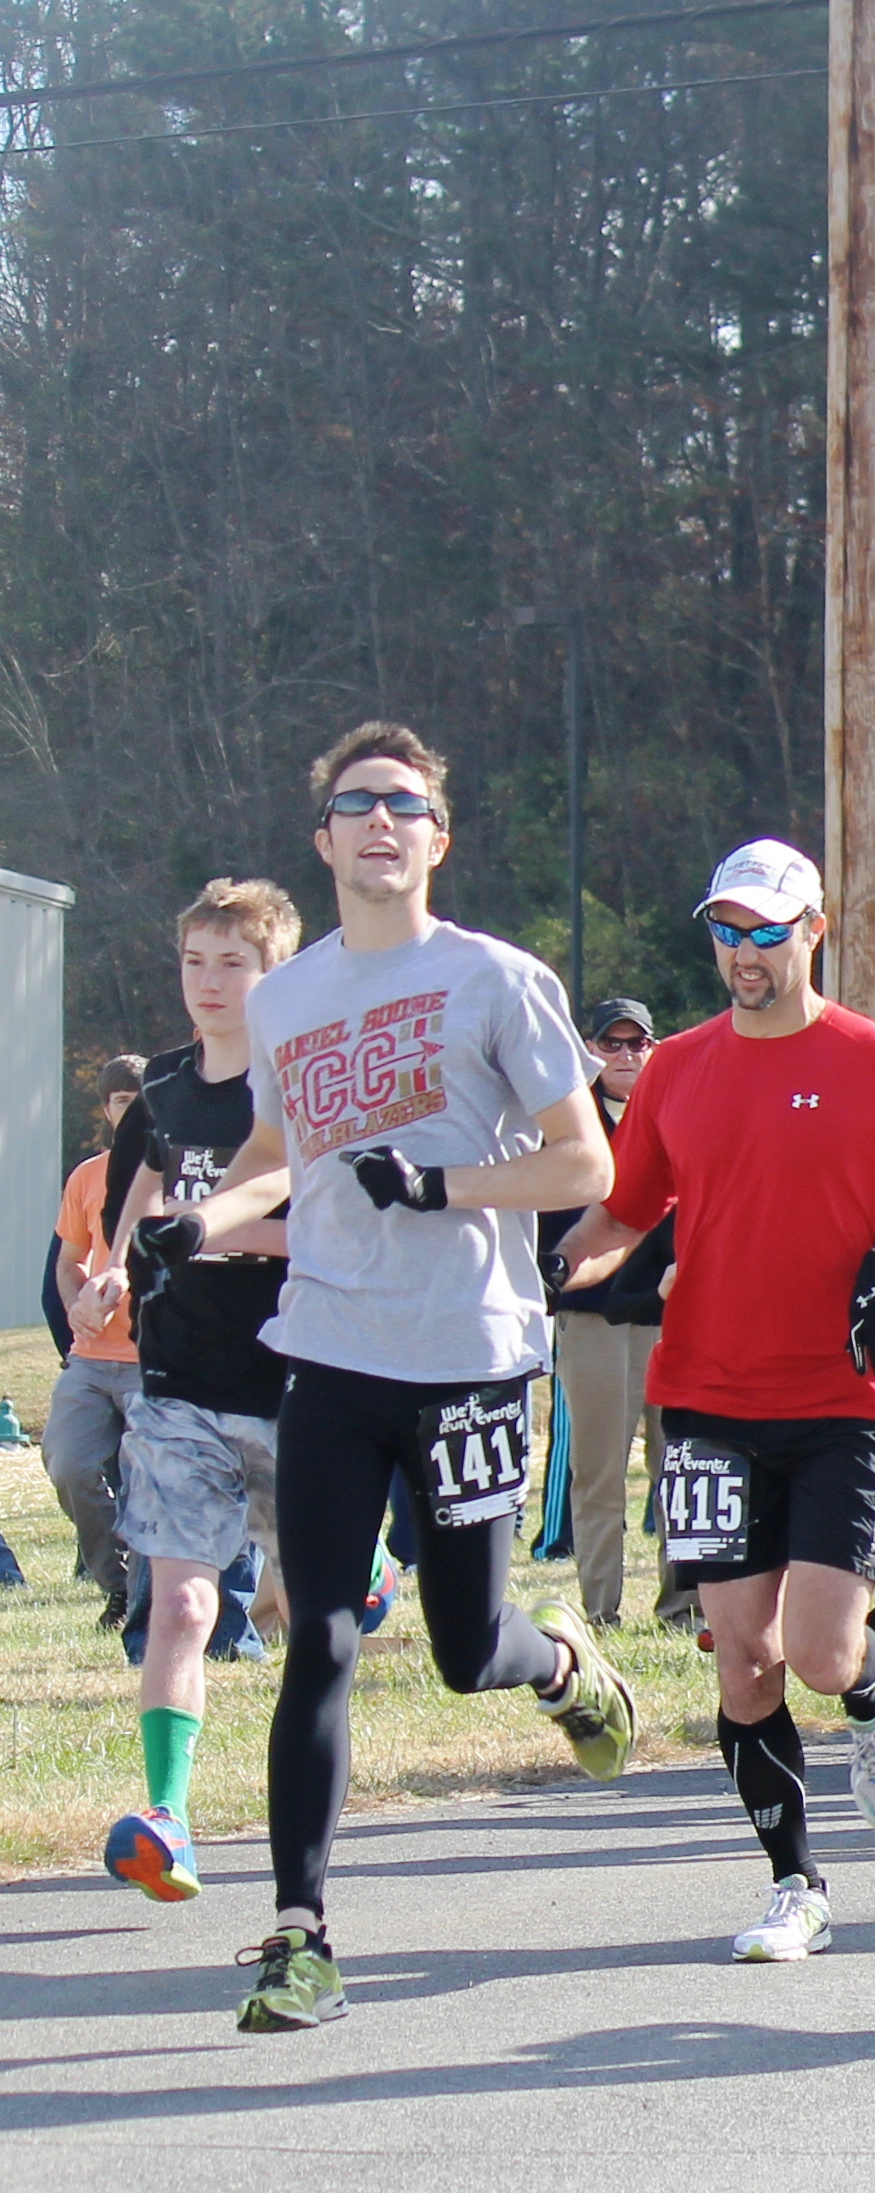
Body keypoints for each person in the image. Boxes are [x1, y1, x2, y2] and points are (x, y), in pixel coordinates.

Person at [155, 723, 642, 2032]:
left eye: (405, 805)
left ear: (437, 836)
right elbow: (274, 1151)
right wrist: (197, 1222)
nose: (381, 823)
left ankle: (563, 1667)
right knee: (318, 1633)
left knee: (464, 1646)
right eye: (357, 804)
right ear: (323, 840)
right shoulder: (286, 997)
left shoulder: (497, 982)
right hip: (329, 1348)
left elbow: (585, 1167)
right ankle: (300, 1936)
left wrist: (441, 1185)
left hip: (474, 1355)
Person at [548, 838, 875, 1962]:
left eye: (765, 930)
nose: (743, 952)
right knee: (743, 1654)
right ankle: (796, 1884)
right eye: (726, 931)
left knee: (826, 1652)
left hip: (851, 1397)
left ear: (813, 931)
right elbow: (623, 1215)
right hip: (706, 1396)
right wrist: (548, 1267)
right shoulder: (680, 1069)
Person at [84, 882, 302, 1903]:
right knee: (179, 1600)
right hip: (175, 1387)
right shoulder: (165, 1094)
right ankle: (168, 1817)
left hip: (294, 1381)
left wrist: (221, 1230)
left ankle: (378, 1565)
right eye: (195, 963)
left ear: (275, 977)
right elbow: (122, 1230)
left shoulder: (302, 1092)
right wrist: (101, 1284)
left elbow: (339, 1236)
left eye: (233, 965)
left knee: (314, 1607)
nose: (209, 985)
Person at [543, 996, 664, 1628]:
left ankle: (684, 1602)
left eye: (636, 1043)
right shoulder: (566, 1121)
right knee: (599, 1470)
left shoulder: (672, 1110)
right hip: (592, 1315)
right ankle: (601, 1607)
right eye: (609, 1044)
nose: (624, 1055)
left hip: (672, 1312)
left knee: (681, 1464)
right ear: (587, 1050)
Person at [51, 1052, 146, 1630]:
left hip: (152, 1360)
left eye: (141, 1103)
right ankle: (116, 1584)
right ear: (107, 1109)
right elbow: (67, 1262)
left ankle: (142, 1598)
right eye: (121, 1103)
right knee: (70, 1464)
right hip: (91, 1358)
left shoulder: (174, 1169)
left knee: (146, 1481)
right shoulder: (87, 1175)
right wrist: (76, 1311)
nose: (131, 1113)